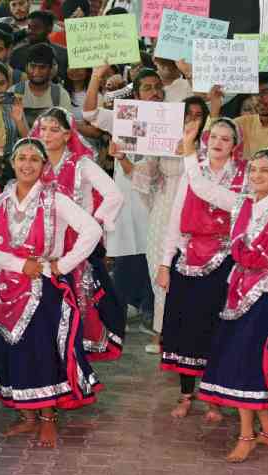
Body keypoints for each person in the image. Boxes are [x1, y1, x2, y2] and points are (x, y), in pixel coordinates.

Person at [181, 125, 268, 463]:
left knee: (247, 364)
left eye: (266, 171)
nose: (257, 175)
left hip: (265, 296)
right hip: (237, 291)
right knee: (243, 361)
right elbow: (200, 186)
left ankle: (247, 435)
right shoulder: (240, 203)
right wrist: (189, 148)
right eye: (254, 169)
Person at [0, 137, 103, 448]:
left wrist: (62, 264)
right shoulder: (2, 201)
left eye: (34, 159)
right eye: (21, 158)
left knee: (43, 351)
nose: (26, 164)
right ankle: (28, 417)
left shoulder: (55, 200)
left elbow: (92, 230)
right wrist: (20, 265)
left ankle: (48, 418)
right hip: (9, 287)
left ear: (43, 166)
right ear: (11, 163)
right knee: (16, 351)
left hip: (44, 289)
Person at [157, 117, 246, 420]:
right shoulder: (192, 171)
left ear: (235, 145)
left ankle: (213, 398)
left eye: (225, 139)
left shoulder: (245, 177)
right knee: (185, 329)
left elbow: (229, 204)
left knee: (215, 329)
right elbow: (176, 217)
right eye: (214, 137)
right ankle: (185, 395)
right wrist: (165, 262)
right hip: (189, 255)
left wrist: (189, 154)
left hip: (224, 259)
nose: (218, 143)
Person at [31, 107, 125, 360]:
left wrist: (94, 222)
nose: (47, 135)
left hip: (76, 244)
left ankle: (74, 355)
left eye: (54, 130)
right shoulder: (32, 163)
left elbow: (114, 194)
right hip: (42, 243)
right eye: (43, 129)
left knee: (77, 298)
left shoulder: (81, 164)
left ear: (66, 135)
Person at [83, 65, 156, 344]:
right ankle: (117, 318)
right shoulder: (124, 116)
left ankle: (150, 312)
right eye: (147, 87)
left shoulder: (168, 119)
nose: (154, 93)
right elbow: (89, 113)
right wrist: (96, 77)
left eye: (157, 87)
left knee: (152, 252)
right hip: (126, 198)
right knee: (126, 254)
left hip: (155, 197)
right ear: (136, 93)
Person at [130, 96, 209, 353]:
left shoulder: (209, 145)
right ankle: (160, 332)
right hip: (164, 211)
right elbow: (144, 176)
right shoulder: (161, 141)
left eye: (198, 115)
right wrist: (121, 157)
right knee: (159, 272)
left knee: (190, 275)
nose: (192, 119)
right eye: (188, 113)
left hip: (197, 215)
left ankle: (187, 334)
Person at [211, 73, 268, 161]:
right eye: (256, 94)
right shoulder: (240, 124)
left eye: (265, 93)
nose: (259, 98)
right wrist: (215, 108)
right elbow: (212, 142)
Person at [13, 43, 72, 127]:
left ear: (51, 69)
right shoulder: (13, 92)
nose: (36, 72)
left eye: (42, 67)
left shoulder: (60, 95)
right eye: (33, 66)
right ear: (26, 67)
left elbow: (65, 128)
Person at [9, 10, 68, 82]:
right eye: (29, 27)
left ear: (49, 28)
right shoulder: (17, 54)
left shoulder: (63, 54)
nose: (30, 31)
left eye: (36, 27)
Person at [0, 61, 29, 160]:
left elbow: (28, 141)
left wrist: (18, 120)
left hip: (11, 164)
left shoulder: (12, 105)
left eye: (2, 83)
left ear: (8, 83)